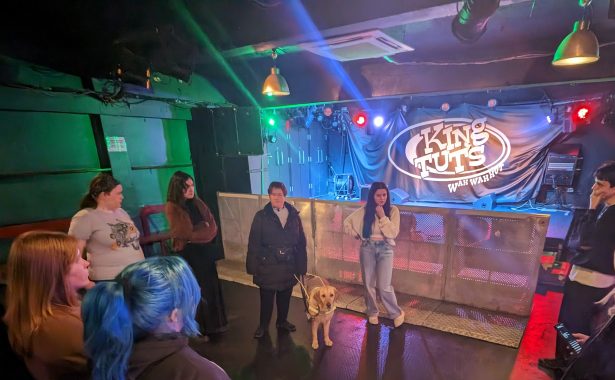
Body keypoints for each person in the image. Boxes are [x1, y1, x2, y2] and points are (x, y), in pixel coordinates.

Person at [82, 256, 230, 380]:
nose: (198, 290)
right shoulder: (201, 374)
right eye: (191, 296)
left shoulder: (102, 354)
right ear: (174, 316)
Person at [539, 161, 615, 371]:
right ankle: (564, 361)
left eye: (600, 185)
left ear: (614, 188)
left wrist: (591, 208)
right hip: (581, 277)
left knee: (574, 327)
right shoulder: (605, 210)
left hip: (591, 283)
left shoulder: (610, 215)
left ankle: (570, 365)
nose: (594, 189)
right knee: (565, 323)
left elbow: (585, 241)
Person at [3, 231, 92, 380]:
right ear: (53, 273)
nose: (86, 263)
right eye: (77, 260)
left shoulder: (48, 313)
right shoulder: (56, 327)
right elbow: (120, 360)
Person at [165, 171, 228, 336]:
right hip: (190, 253)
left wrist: (200, 230)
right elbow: (184, 232)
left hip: (205, 251)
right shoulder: (174, 207)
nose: (191, 190)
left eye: (192, 185)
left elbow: (212, 226)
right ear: (178, 188)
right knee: (198, 290)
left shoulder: (198, 203)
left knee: (212, 286)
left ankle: (217, 323)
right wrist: (202, 228)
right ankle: (203, 328)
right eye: (186, 187)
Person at [247, 181, 308, 339]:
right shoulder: (261, 216)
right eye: (273, 194)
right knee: (266, 298)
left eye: (279, 194)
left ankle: (282, 321)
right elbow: (254, 242)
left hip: (288, 264)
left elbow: (301, 242)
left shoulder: (294, 216)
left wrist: (302, 266)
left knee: (285, 296)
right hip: (268, 264)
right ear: (269, 196)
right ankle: (263, 325)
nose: (277, 197)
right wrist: (252, 266)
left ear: (284, 195)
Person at [343, 182, 405, 327]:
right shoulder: (366, 210)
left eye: (384, 195)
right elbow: (347, 222)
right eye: (378, 195)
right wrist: (355, 234)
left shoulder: (393, 210)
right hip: (367, 248)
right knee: (369, 283)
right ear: (373, 196)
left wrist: (383, 216)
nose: (382, 198)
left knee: (384, 285)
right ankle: (372, 311)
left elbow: (392, 233)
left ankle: (395, 312)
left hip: (386, 249)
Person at [69, 173, 144, 281]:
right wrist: (84, 282)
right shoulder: (85, 217)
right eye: (118, 193)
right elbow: (74, 255)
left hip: (137, 273)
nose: (122, 196)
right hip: (110, 280)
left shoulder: (121, 212)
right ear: (104, 195)